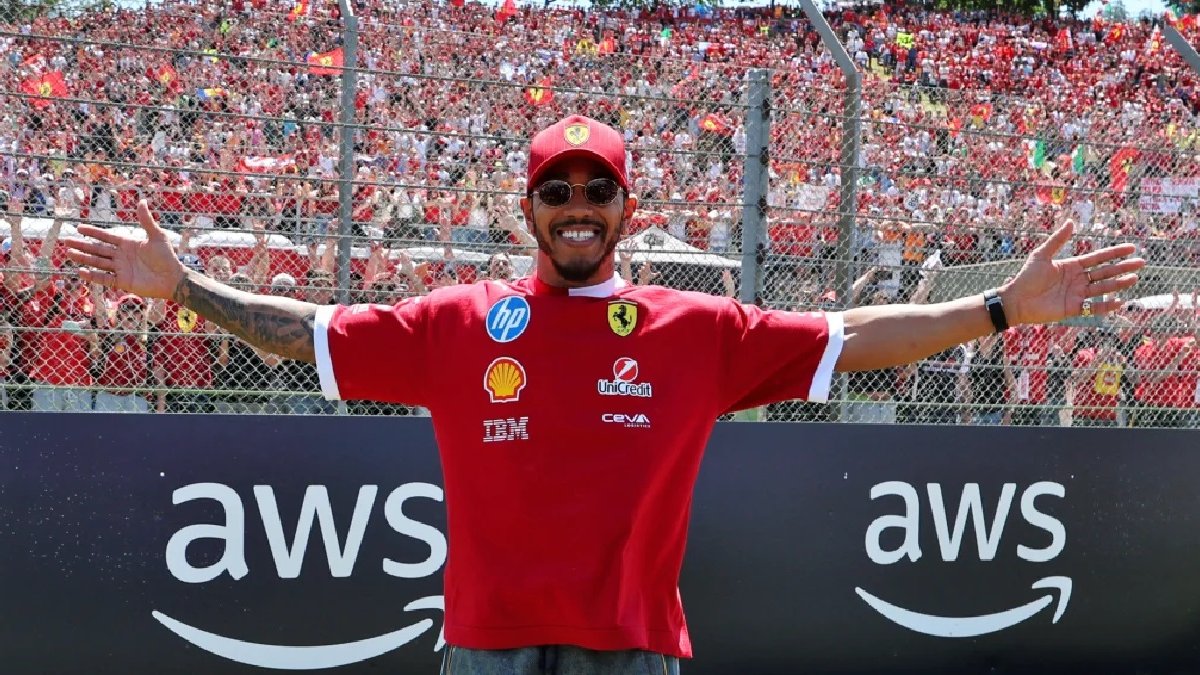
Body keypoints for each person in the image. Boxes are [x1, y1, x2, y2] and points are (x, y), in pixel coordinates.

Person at [64, 115, 1143, 674]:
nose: (576, 205)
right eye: (556, 189)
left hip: (633, 647)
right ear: (527, 209)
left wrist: (999, 309)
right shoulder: (457, 321)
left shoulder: (695, 329)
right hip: (484, 647)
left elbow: (854, 337)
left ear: (628, 210)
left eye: (597, 189)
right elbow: (308, 333)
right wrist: (183, 287)